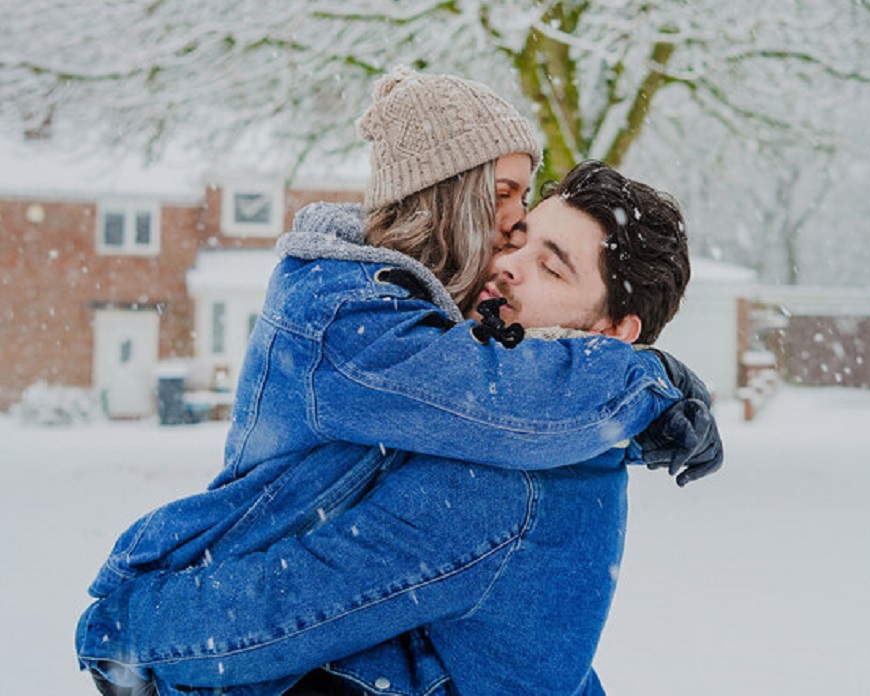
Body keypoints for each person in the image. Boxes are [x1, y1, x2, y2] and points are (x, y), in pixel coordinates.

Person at [76, 68, 720, 694]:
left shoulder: (508, 470)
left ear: (615, 334)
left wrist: (130, 636)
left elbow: (303, 597)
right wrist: (653, 382)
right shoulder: (373, 329)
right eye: (514, 228)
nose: (507, 262)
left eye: (551, 269)